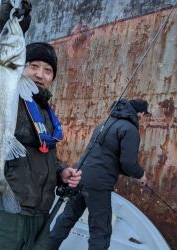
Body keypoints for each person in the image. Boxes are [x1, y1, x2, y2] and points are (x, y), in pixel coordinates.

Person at [0, 1, 82, 250]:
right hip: (4, 217)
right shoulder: (10, 91)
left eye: (47, 70)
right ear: (19, 66)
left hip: (39, 217)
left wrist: (61, 173)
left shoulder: (44, 111)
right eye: (33, 66)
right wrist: (10, 12)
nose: (40, 74)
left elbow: (41, 156)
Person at [50, 99, 150, 250]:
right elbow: (128, 164)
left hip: (80, 175)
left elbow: (106, 156)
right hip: (99, 183)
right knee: (100, 229)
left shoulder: (103, 124)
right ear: (140, 113)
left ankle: (46, 246)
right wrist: (140, 175)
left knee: (67, 218)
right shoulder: (130, 129)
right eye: (143, 115)